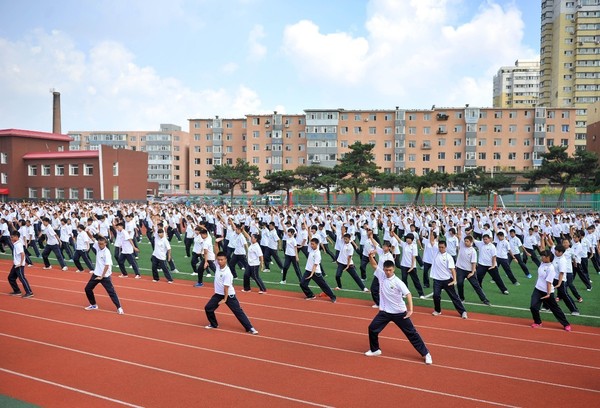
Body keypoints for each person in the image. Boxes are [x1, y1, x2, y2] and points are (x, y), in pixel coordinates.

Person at [364, 252, 432, 365]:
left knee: (412, 333)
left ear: (394, 269)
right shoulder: (381, 275)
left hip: (399, 313)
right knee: (372, 328)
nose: (387, 272)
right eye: (386, 270)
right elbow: (374, 265)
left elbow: (408, 294)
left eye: (390, 270)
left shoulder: (398, 282)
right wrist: (371, 257)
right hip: (385, 312)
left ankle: (426, 354)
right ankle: (375, 350)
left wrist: (410, 310)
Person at [204, 251, 258, 334]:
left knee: (238, 311)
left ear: (226, 260)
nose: (219, 261)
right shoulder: (218, 265)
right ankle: (213, 324)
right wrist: (216, 242)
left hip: (229, 295)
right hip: (219, 294)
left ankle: (250, 327)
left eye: (222, 260)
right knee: (208, 308)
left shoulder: (227, 273)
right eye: (218, 260)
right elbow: (216, 250)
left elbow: (226, 288)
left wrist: (225, 299)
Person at [529, 250, 571, 331]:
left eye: (543, 256)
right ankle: (538, 322)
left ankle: (566, 324)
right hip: (538, 289)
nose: (541, 257)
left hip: (547, 292)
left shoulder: (551, 269)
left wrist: (548, 294)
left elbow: (549, 282)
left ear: (548, 257)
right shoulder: (542, 263)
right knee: (533, 307)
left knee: (555, 309)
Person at [428, 237, 468, 319]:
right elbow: (432, 240)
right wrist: (431, 230)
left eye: (442, 247)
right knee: (436, 295)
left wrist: (454, 280)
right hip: (437, 280)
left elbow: (452, 270)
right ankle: (437, 310)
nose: (441, 249)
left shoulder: (448, 257)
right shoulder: (436, 252)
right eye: (439, 247)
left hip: (447, 280)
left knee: (454, 297)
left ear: (445, 247)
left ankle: (463, 312)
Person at [84, 236, 124, 314]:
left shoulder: (107, 253)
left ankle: (119, 307)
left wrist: (102, 276)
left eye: (102, 244)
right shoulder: (98, 247)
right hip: (96, 274)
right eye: (99, 244)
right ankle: (93, 304)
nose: (100, 245)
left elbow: (107, 265)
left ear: (105, 244)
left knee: (111, 292)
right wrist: (88, 231)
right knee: (87, 289)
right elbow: (92, 238)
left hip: (105, 276)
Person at [300, 237, 337, 302]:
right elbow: (310, 236)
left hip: (316, 272)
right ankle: (310, 295)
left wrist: (311, 274)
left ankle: (332, 297)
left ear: (317, 244)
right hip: (308, 270)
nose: (311, 245)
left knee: (323, 285)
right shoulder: (311, 249)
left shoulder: (317, 253)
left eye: (313, 244)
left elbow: (315, 265)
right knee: (302, 283)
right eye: (311, 244)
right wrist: (308, 229)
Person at [7, 231, 34, 298]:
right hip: (16, 264)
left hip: (19, 265)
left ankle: (29, 292)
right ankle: (17, 291)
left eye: (12, 237)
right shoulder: (16, 243)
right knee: (11, 278)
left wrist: (21, 263)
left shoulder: (18, 244)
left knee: (22, 278)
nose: (11, 238)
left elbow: (22, 254)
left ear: (16, 237)